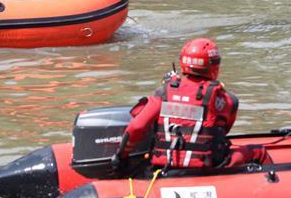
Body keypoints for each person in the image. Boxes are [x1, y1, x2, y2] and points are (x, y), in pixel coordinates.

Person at [111, 38, 271, 171]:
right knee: (258, 152)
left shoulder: (163, 92)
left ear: (182, 62)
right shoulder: (227, 99)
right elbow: (222, 130)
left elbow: (137, 127)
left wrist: (120, 157)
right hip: (209, 167)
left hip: (165, 165)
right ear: (214, 65)